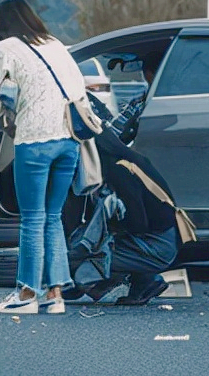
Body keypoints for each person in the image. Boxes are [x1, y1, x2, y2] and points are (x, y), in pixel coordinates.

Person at [0, 0, 87, 315]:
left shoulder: (4, 49)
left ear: (0, 24)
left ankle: (26, 294)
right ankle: (55, 294)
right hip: (70, 142)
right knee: (53, 217)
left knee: (32, 219)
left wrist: (5, 114)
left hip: (36, 141)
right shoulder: (55, 44)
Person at [64, 126, 181, 306]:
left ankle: (139, 280)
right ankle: (140, 279)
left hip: (158, 245)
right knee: (81, 248)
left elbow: (138, 224)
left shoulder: (119, 169)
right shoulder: (124, 160)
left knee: (79, 256)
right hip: (156, 238)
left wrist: (103, 233)